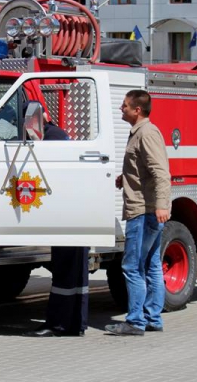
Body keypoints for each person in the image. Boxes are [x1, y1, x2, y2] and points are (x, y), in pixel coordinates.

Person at [105, 90, 171, 336]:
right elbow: (143, 168)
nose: (121, 109)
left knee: (132, 266)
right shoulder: (140, 133)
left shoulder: (146, 134)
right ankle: (153, 317)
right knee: (151, 264)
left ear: (137, 110)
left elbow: (161, 173)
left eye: (124, 106)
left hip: (144, 211)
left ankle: (135, 321)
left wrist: (162, 205)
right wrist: (126, 178)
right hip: (147, 209)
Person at [24, 115, 90, 337]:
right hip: (75, 212)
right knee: (76, 273)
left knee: (64, 270)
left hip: (68, 214)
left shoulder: (52, 138)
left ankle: (58, 324)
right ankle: (76, 324)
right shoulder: (55, 135)